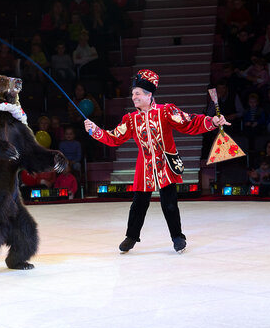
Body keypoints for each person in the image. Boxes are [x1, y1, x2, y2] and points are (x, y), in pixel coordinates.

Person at [83, 69, 230, 253]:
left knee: (169, 202)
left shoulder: (166, 111)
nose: (133, 97)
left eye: (137, 93)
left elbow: (188, 122)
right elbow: (114, 137)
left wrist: (212, 121)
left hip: (166, 164)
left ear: (149, 94)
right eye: (133, 93)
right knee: (138, 203)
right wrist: (95, 130)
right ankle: (131, 236)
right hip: (144, 166)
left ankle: (177, 237)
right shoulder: (130, 119)